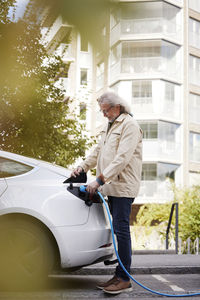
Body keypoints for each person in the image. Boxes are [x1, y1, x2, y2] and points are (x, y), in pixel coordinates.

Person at [71, 91, 142, 295]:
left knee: (121, 232)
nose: (103, 114)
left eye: (105, 110)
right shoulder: (110, 126)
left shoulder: (130, 125)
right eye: (102, 111)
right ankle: (119, 274)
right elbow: (98, 152)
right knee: (118, 231)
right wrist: (82, 168)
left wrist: (100, 179)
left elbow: (122, 158)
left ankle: (124, 279)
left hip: (123, 186)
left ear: (117, 107)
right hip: (112, 187)